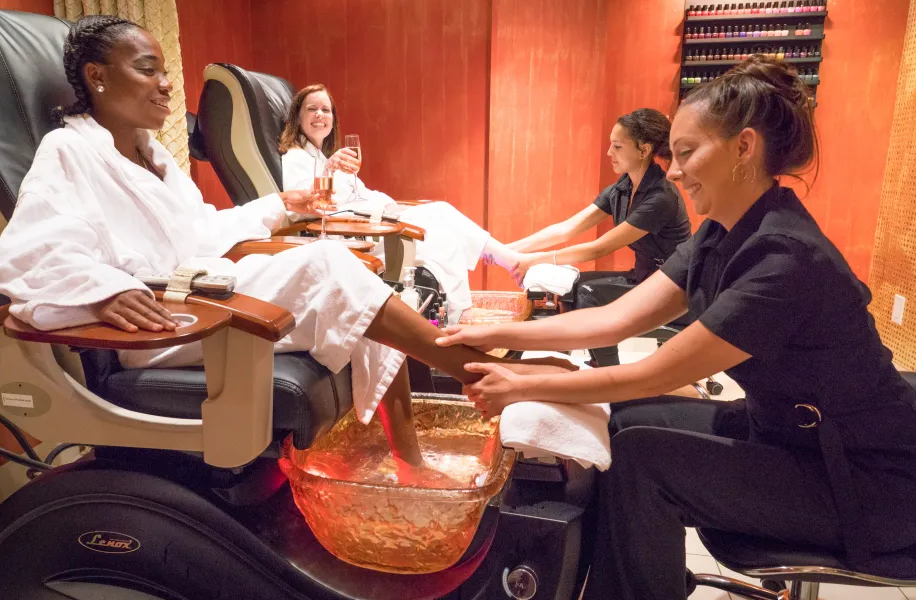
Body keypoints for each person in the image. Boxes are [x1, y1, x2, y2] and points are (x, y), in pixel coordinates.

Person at [0, 16, 573, 471]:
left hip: (197, 294)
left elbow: (203, 232)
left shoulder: (155, 157)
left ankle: (412, 456)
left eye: (164, 69)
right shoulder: (69, 152)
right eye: (147, 69)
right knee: (325, 264)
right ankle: (483, 373)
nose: (167, 84)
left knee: (349, 274)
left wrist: (277, 208)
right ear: (97, 76)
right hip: (160, 325)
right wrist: (103, 289)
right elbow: (25, 254)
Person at [438, 56, 916, 600]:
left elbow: (650, 373)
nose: (677, 170)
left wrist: (520, 384)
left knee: (646, 461)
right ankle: (626, 574)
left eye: (688, 153)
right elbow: (614, 319)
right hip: (782, 433)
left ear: (744, 147)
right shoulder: (720, 232)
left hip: (860, 479)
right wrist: (496, 336)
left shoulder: (786, 257)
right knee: (627, 422)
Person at [279, 84, 532, 320]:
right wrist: (330, 171)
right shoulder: (296, 157)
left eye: (326, 109)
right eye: (312, 109)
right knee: (443, 239)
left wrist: (390, 206)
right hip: (352, 234)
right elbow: (302, 208)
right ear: (297, 117)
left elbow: (362, 193)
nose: (320, 114)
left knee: (442, 219)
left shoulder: (324, 157)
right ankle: (470, 305)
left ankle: (491, 280)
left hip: (375, 219)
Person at [500, 108, 691, 367]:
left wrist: (530, 261)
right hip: (642, 277)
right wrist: (503, 250)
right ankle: (561, 365)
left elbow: (598, 248)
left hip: (669, 289)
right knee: (569, 287)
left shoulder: (660, 198)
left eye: (617, 146)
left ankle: (609, 376)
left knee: (589, 293)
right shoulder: (623, 188)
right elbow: (567, 228)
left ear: (644, 150)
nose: (609, 153)